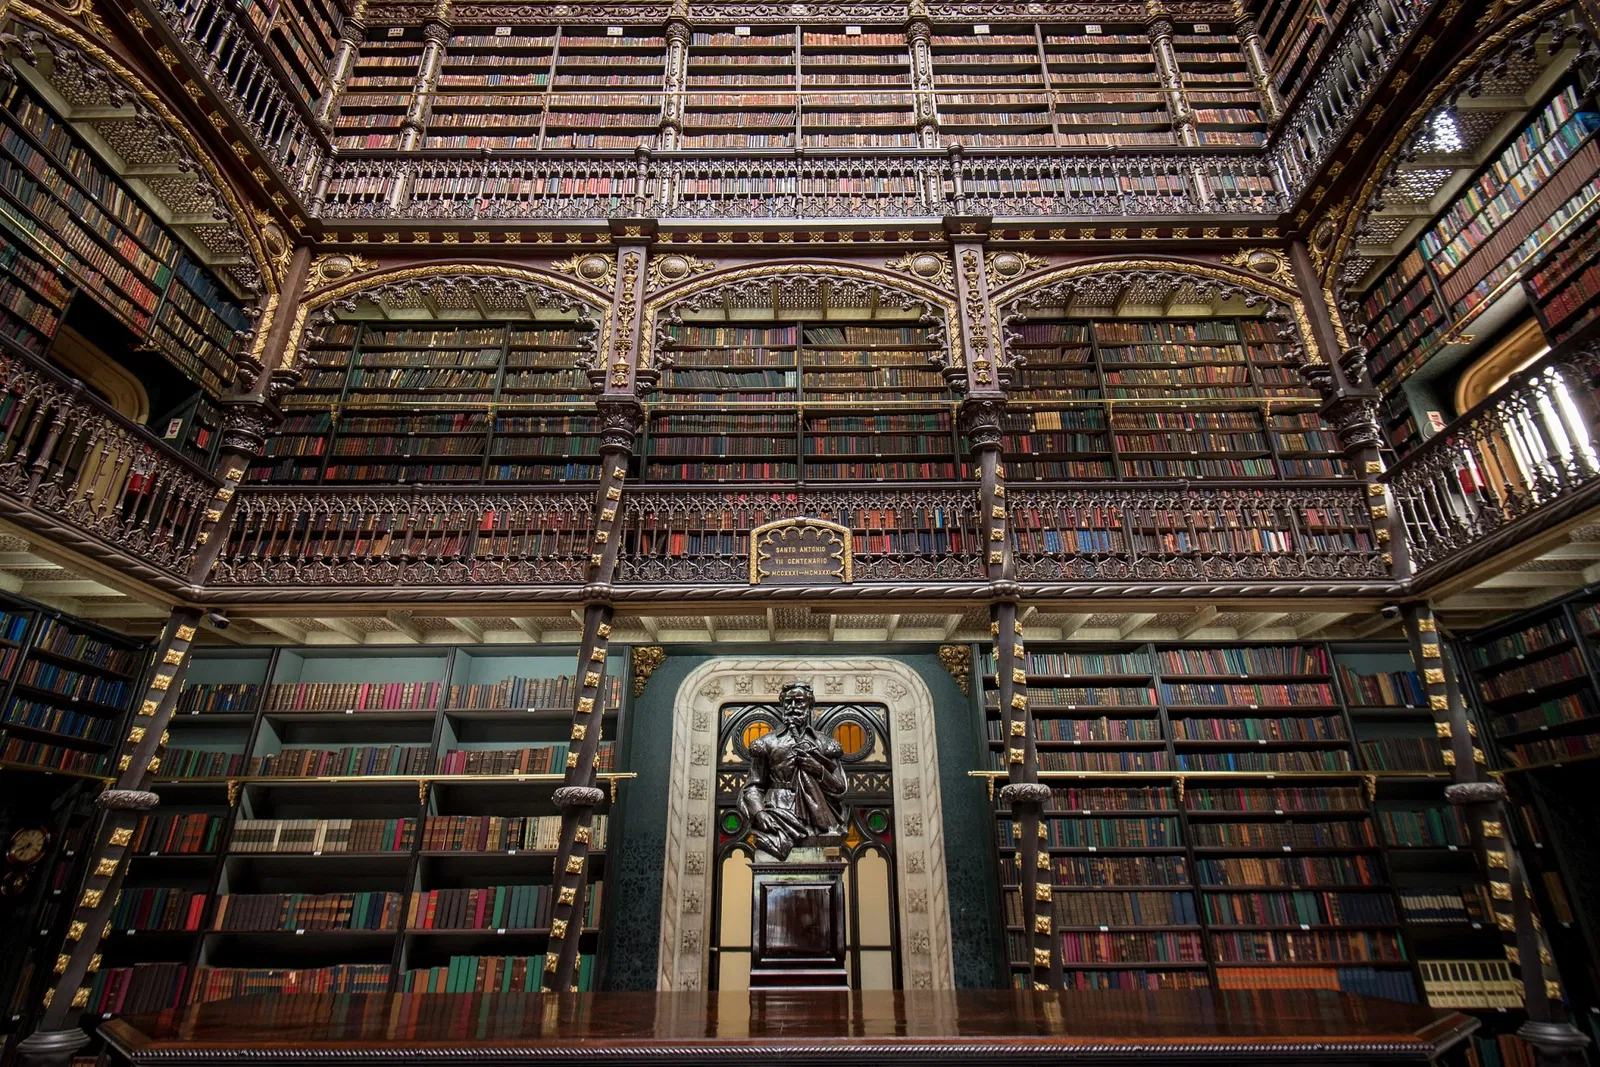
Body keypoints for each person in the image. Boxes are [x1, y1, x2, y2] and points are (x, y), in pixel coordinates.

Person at [738, 681, 848, 860]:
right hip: (777, 811)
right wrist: (759, 813)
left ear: (809, 705)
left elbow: (840, 789)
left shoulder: (825, 744)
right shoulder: (767, 743)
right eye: (788, 702)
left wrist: (819, 770)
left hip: (816, 814)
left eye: (799, 702)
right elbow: (753, 786)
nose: (793, 707)